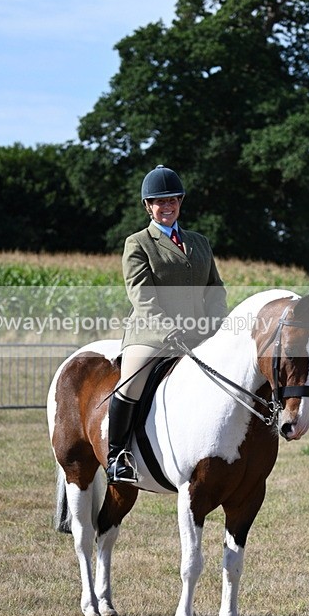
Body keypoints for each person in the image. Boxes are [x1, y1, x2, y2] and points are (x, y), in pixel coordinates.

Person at [106, 164, 228, 483]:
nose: (167, 206)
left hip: (198, 334)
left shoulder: (200, 242)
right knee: (131, 382)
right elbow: (142, 296)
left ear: (180, 202)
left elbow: (215, 288)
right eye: (160, 201)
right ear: (148, 206)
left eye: (172, 200)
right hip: (152, 335)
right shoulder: (138, 243)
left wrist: (216, 324)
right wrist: (168, 331)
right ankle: (117, 456)